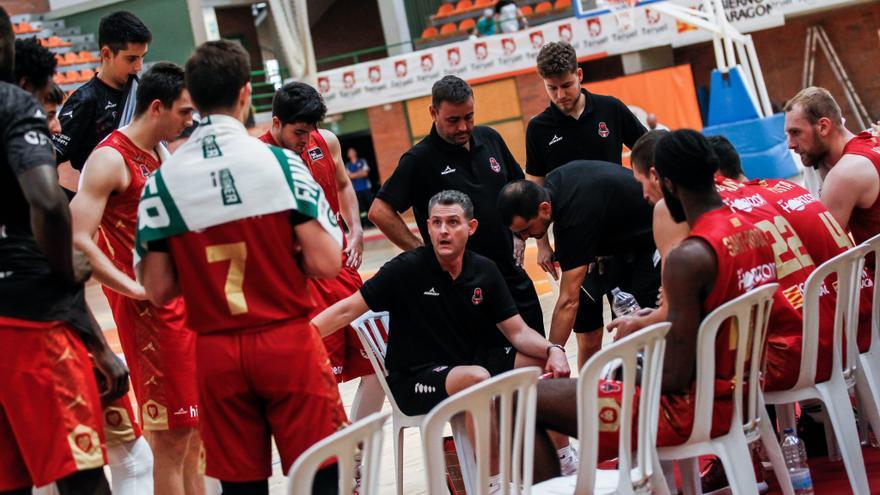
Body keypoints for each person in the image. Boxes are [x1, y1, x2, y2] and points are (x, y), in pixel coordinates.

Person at [138, 40, 346, 495]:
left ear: (191, 96)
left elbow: (157, 288)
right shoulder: (283, 164)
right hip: (286, 341)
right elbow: (327, 262)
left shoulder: (162, 182)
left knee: (241, 486)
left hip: (216, 351)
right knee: (318, 475)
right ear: (246, 93)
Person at [531, 130, 777, 483]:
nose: (645, 195)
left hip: (689, 410)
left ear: (665, 181)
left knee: (525, 399)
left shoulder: (689, 257)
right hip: (744, 391)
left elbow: (675, 376)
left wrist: (620, 374)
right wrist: (660, 319)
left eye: (646, 184)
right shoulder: (752, 229)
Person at [313, 190, 570, 492]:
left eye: (452, 222)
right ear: (428, 226)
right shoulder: (406, 269)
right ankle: (493, 484)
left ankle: (564, 462)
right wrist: (299, 340)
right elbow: (346, 309)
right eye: (436, 223)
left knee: (541, 364)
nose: (443, 231)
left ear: (471, 227)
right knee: (477, 379)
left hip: (469, 361)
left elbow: (517, 332)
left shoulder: (484, 270)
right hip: (415, 378)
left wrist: (554, 349)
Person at [15, 35, 154, 495]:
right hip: (42, 327)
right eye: (47, 113)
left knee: (29, 474)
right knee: (117, 459)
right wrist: (95, 339)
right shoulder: (32, 128)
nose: (53, 126)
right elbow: (52, 212)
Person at [0, 7, 128, 493]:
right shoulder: (13, 102)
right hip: (30, 324)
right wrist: (70, 275)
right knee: (84, 479)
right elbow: (48, 207)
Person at [70, 63, 199, 495]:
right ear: (157, 107)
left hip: (182, 308)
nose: (189, 121)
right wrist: (132, 289)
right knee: (170, 442)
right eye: (183, 112)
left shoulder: (160, 153)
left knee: (196, 435)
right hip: (150, 318)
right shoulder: (109, 158)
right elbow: (76, 237)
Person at [369, 75, 544, 340]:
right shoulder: (420, 159)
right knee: (488, 370)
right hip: (463, 287)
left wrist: (519, 234)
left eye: (469, 117)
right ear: (433, 113)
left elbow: (517, 190)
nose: (463, 127)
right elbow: (379, 211)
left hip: (510, 276)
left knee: (537, 358)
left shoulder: (490, 138)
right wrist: (424, 253)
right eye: (453, 120)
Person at [258, 82, 383, 421]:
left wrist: (355, 228)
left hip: (341, 267)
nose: (306, 138)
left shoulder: (325, 142)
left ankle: (355, 456)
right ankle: (334, 453)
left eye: (311, 129)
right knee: (315, 371)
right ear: (276, 122)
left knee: (379, 359)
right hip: (296, 278)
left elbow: (343, 184)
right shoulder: (257, 159)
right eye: (299, 131)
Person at [525, 41, 648, 347]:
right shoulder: (538, 128)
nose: (560, 94)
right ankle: (589, 394)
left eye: (566, 85)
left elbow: (648, 151)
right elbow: (535, 189)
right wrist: (542, 244)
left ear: (579, 74)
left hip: (623, 238)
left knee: (637, 324)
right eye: (551, 88)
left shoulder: (611, 109)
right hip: (576, 239)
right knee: (588, 338)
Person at [497, 161, 659, 367]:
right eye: (518, 233)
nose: (525, 236)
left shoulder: (573, 221)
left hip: (653, 241)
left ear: (544, 209)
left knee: (643, 328)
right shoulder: (554, 183)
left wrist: (552, 354)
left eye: (526, 229)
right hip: (626, 246)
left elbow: (568, 301)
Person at [53, 11, 150, 192]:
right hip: (104, 208)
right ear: (106, 54)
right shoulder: (85, 100)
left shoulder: (143, 92)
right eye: (131, 59)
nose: (139, 67)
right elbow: (51, 159)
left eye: (142, 57)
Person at [784, 86, 880, 246]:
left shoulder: (844, 174)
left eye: (796, 132)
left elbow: (819, 250)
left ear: (823, 127)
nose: (790, 144)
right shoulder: (873, 142)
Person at [345, 147, 374, 226]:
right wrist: (359, 173)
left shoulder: (362, 161)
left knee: (371, 206)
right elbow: (348, 177)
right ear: (348, 155)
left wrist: (354, 174)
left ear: (355, 153)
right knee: (361, 209)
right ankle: (366, 224)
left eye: (352, 151)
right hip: (356, 190)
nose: (351, 153)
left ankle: (375, 222)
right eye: (350, 152)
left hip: (366, 188)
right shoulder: (348, 165)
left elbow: (365, 173)